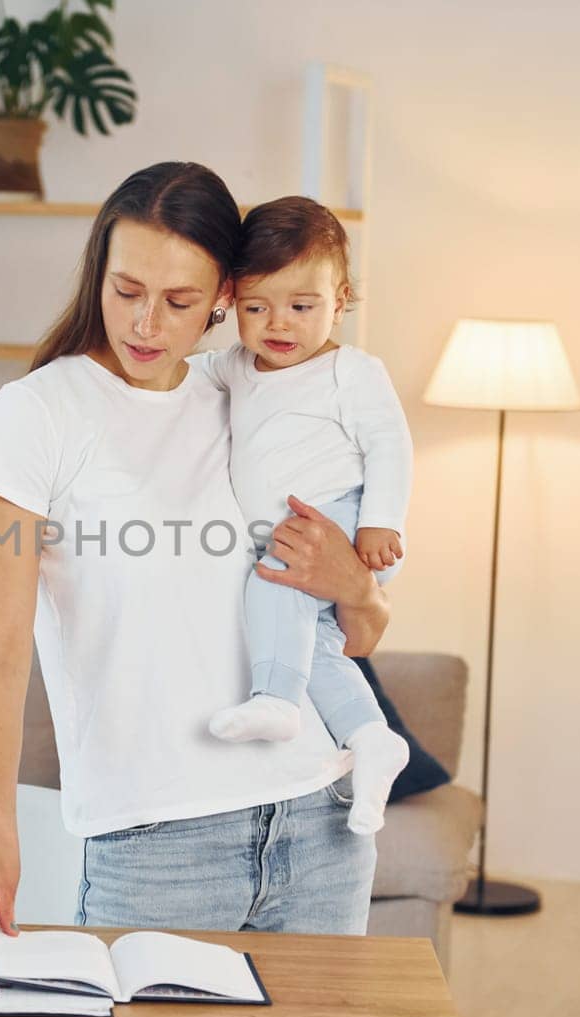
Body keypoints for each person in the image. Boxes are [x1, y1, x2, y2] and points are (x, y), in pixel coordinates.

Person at [0, 162, 390, 950]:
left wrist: (358, 586)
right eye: (126, 290)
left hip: (321, 819)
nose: (147, 323)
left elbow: (356, 634)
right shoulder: (35, 416)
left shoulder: (250, 397)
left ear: (223, 296)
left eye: (179, 301)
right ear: (97, 276)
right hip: (155, 842)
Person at [203, 196, 414, 836]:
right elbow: (177, 375)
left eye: (302, 306)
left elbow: (391, 445)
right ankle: (372, 738)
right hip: (289, 532)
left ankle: (276, 700)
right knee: (317, 647)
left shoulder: (351, 371)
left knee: (272, 582)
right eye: (255, 307)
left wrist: (381, 522)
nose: (278, 324)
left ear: (341, 299)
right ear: (231, 302)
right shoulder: (235, 366)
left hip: (339, 521)